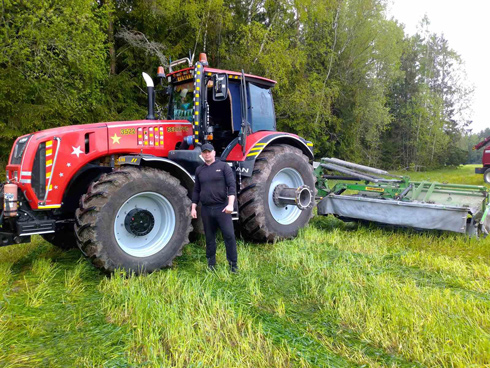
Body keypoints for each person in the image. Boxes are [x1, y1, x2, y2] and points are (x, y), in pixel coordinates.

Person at [191, 143, 238, 272]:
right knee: (209, 238)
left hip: (222, 208)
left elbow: (232, 186)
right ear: (201, 154)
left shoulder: (223, 167)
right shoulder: (199, 170)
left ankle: (233, 265)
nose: (207, 154)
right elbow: (196, 190)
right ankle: (211, 264)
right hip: (206, 209)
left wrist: (230, 205)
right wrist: (193, 207)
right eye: (204, 152)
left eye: (209, 152)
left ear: (214, 152)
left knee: (229, 236)